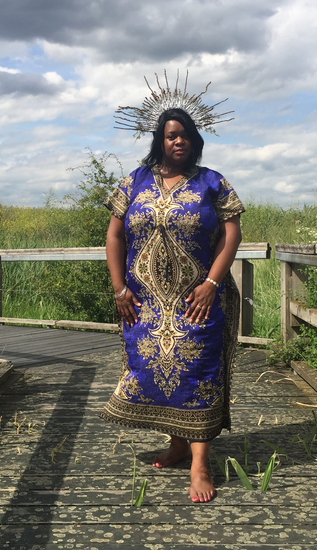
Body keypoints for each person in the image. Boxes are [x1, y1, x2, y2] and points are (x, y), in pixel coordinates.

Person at [100, 107, 244, 503]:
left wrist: (212, 283)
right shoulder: (135, 182)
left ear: (195, 140)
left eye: (184, 135)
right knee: (158, 372)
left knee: (197, 371)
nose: (178, 140)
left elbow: (232, 234)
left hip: (198, 298)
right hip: (144, 303)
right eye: (170, 135)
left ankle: (200, 464)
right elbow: (114, 237)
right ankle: (178, 445)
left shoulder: (212, 183)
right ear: (160, 141)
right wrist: (118, 289)